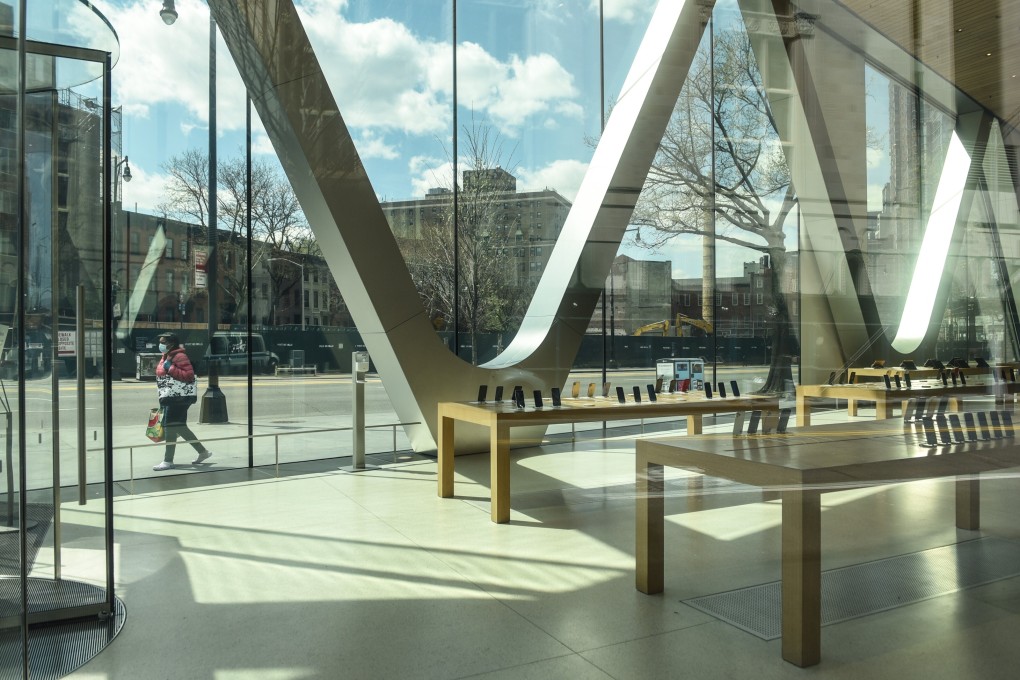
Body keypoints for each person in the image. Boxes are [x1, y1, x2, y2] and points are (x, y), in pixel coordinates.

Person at [152, 333, 212, 471]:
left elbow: (189, 376)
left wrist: (170, 368)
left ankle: (168, 461)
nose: (160, 345)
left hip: (178, 398)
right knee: (179, 427)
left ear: (171, 344)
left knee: (170, 426)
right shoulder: (166, 356)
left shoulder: (179, 356)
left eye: (163, 342)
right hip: (169, 397)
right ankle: (203, 452)